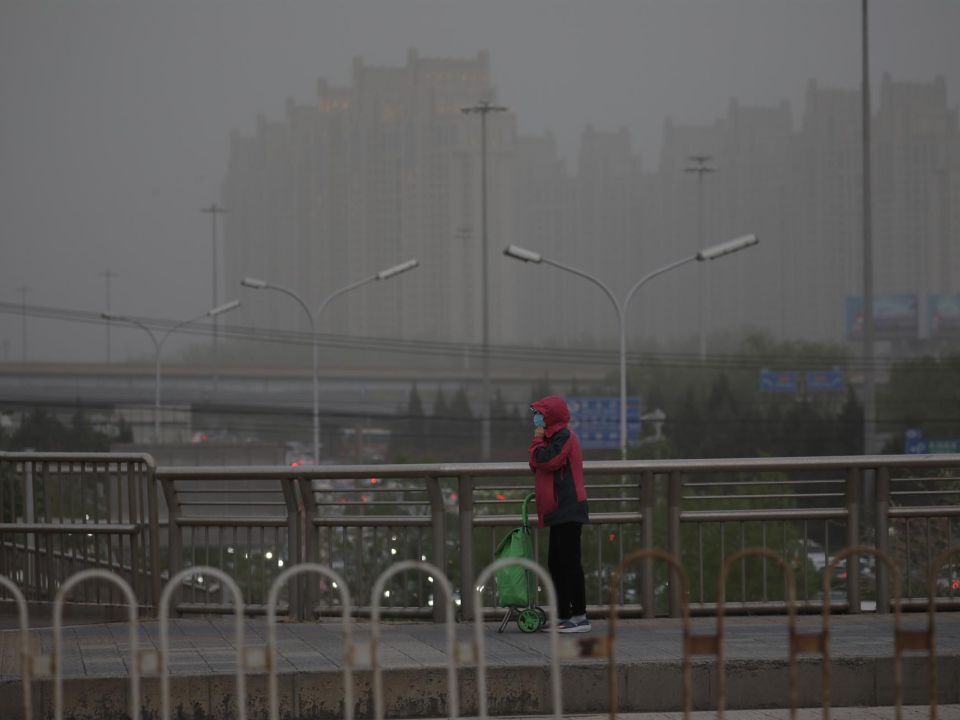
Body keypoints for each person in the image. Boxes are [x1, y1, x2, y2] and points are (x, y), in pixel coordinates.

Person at [527, 395, 590, 633]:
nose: (537, 418)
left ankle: (580, 616)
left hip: (569, 507)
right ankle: (564, 615)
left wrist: (536, 442)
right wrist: (539, 443)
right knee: (556, 563)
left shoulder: (564, 436)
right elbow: (536, 463)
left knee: (570, 563)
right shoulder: (551, 438)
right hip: (557, 509)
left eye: (540, 413)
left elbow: (547, 460)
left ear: (551, 415)